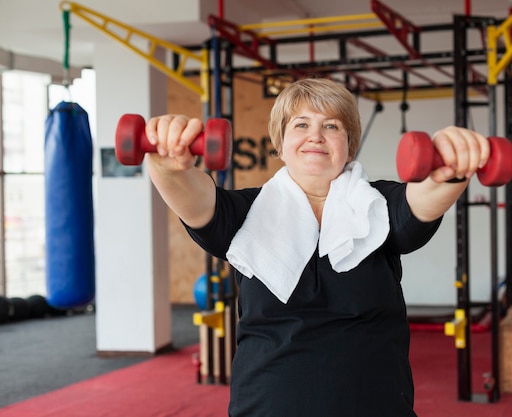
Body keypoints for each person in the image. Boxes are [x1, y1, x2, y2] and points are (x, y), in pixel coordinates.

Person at [144, 77, 490, 417]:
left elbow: (423, 200)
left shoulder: (378, 206)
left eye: (332, 126)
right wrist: (166, 166)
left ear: (349, 145)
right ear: (279, 143)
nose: (316, 135)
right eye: (301, 124)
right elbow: (194, 199)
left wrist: (449, 168)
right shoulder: (246, 214)